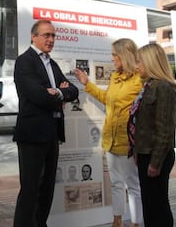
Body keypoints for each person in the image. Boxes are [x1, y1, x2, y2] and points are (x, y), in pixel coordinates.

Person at [13, 20, 79, 227]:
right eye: (46, 35)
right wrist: (59, 94)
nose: (50, 39)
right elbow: (37, 96)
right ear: (34, 36)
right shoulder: (25, 61)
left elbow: (74, 91)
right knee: (30, 189)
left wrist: (58, 91)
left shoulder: (52, 63)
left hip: (52, 134)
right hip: (32, 135)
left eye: (53, 36)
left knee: (47, 189)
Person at [74, 38, 143, 227]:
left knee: (133, 185)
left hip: (129, 143)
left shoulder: (140, 79)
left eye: (115, 54)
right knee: (116, 184)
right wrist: (87, 84)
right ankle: (117, 221)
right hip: (110, 141)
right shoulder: (114, 76)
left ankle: (136, 223)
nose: (112, 58)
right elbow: (107, 99)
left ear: (125, 55)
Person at [128, 43, 176, 227]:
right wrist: (137, 152)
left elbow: (165, 130)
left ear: (150, 62)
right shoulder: (149, 86)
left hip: (156, 156)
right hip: (145, 153)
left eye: (139, 61)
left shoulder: (164, 88)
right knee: (149, 205)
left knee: (158, 206)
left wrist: (155, 162)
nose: (136, 66)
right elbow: (141, 124)